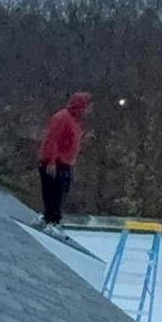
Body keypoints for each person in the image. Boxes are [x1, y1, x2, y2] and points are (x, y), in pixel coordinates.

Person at [39, 92, 92, 228]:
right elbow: (53, 139)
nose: (89, 111)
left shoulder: (75, 121)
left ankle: (51, 220)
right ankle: (51, 221)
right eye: (87, 108)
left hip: (66, 162)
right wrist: (51, 162)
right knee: (54, 194)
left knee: (61, 192)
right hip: (56, 162)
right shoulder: (62, 117)